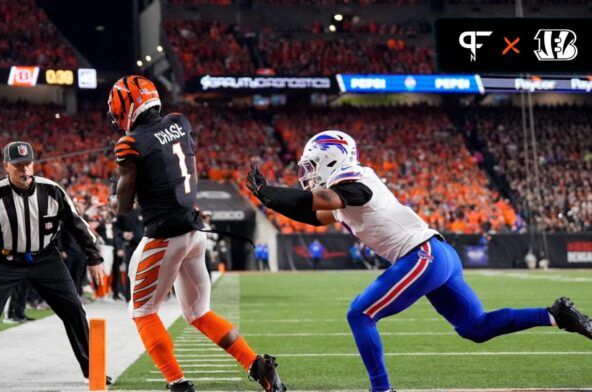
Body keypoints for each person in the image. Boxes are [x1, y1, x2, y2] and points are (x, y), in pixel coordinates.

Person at [246, 130, 592, 392]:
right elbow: (313, 215)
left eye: (311, 164)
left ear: (331, 158)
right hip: (435, 255)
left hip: (422, 255)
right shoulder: (344, 190)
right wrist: (270, 199)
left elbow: (320, 199)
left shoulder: (354, 179)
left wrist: (270, 192)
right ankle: (554, 315)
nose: (306, 172)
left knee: (360, 313)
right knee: (476, 327)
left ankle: (381, 390)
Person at [109, 75, 285, 392]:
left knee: (143, 312)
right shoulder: (180, 122)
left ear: (129, 108)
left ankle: (178, 384)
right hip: (194, 232)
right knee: (199, 312)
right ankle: (257, 366)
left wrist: (117, 192)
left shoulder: (130, 144)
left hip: (164, 236)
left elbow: (123, 205)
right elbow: (168, 160)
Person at [0, 141, 111, 388]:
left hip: (46, 258)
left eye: (28, 164)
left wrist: (95, 258)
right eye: (17, 166)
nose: (24, 170)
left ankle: (92, 369)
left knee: (74, 309)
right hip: (6, 260)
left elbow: (77, 225)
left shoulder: (52, 190)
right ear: (6, 166)